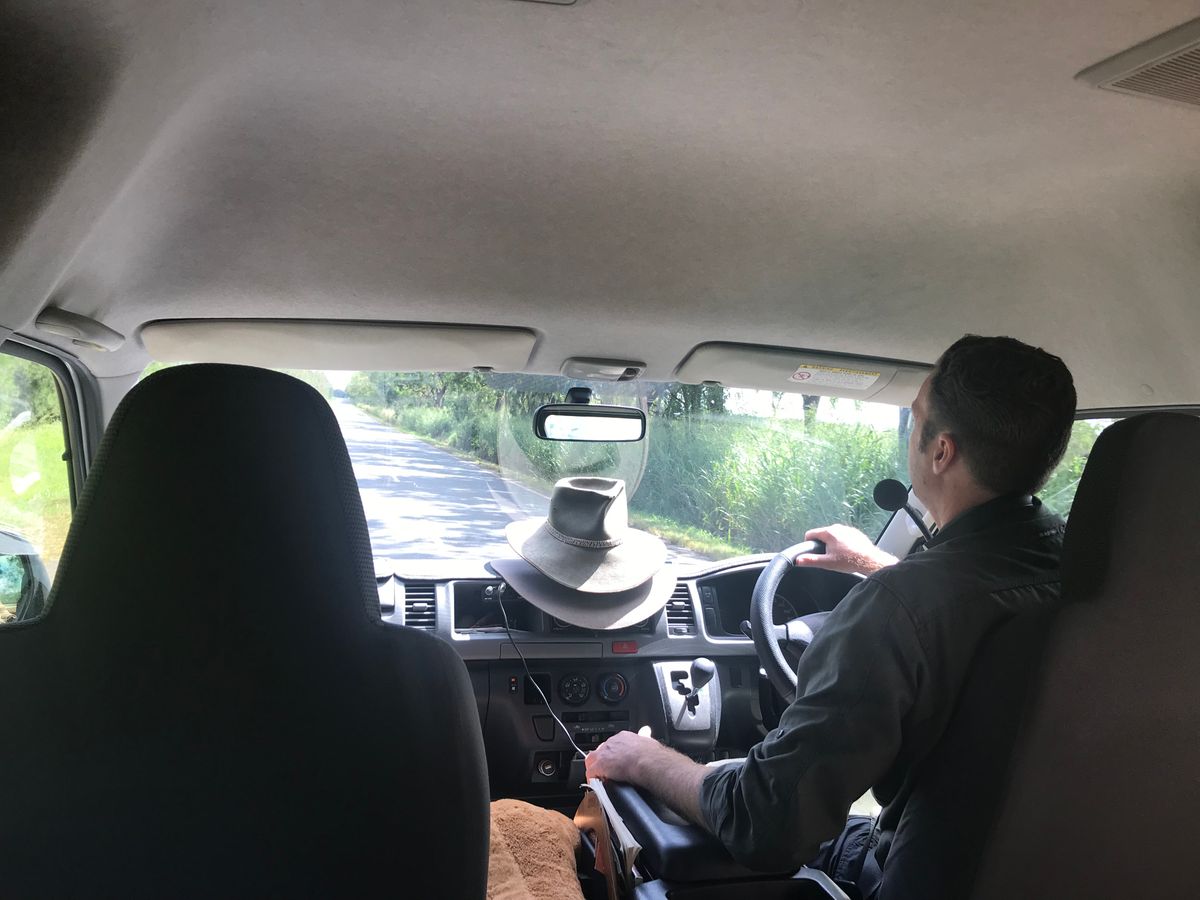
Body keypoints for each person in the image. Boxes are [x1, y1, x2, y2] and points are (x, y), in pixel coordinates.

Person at [585, 335, 1077, 894]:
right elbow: (975, 599)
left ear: (941, 451)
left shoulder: (896, 610)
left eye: (915, 417)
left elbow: (765, 824)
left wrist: (645, 757)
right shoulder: (1098, 580)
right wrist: (878, 567)